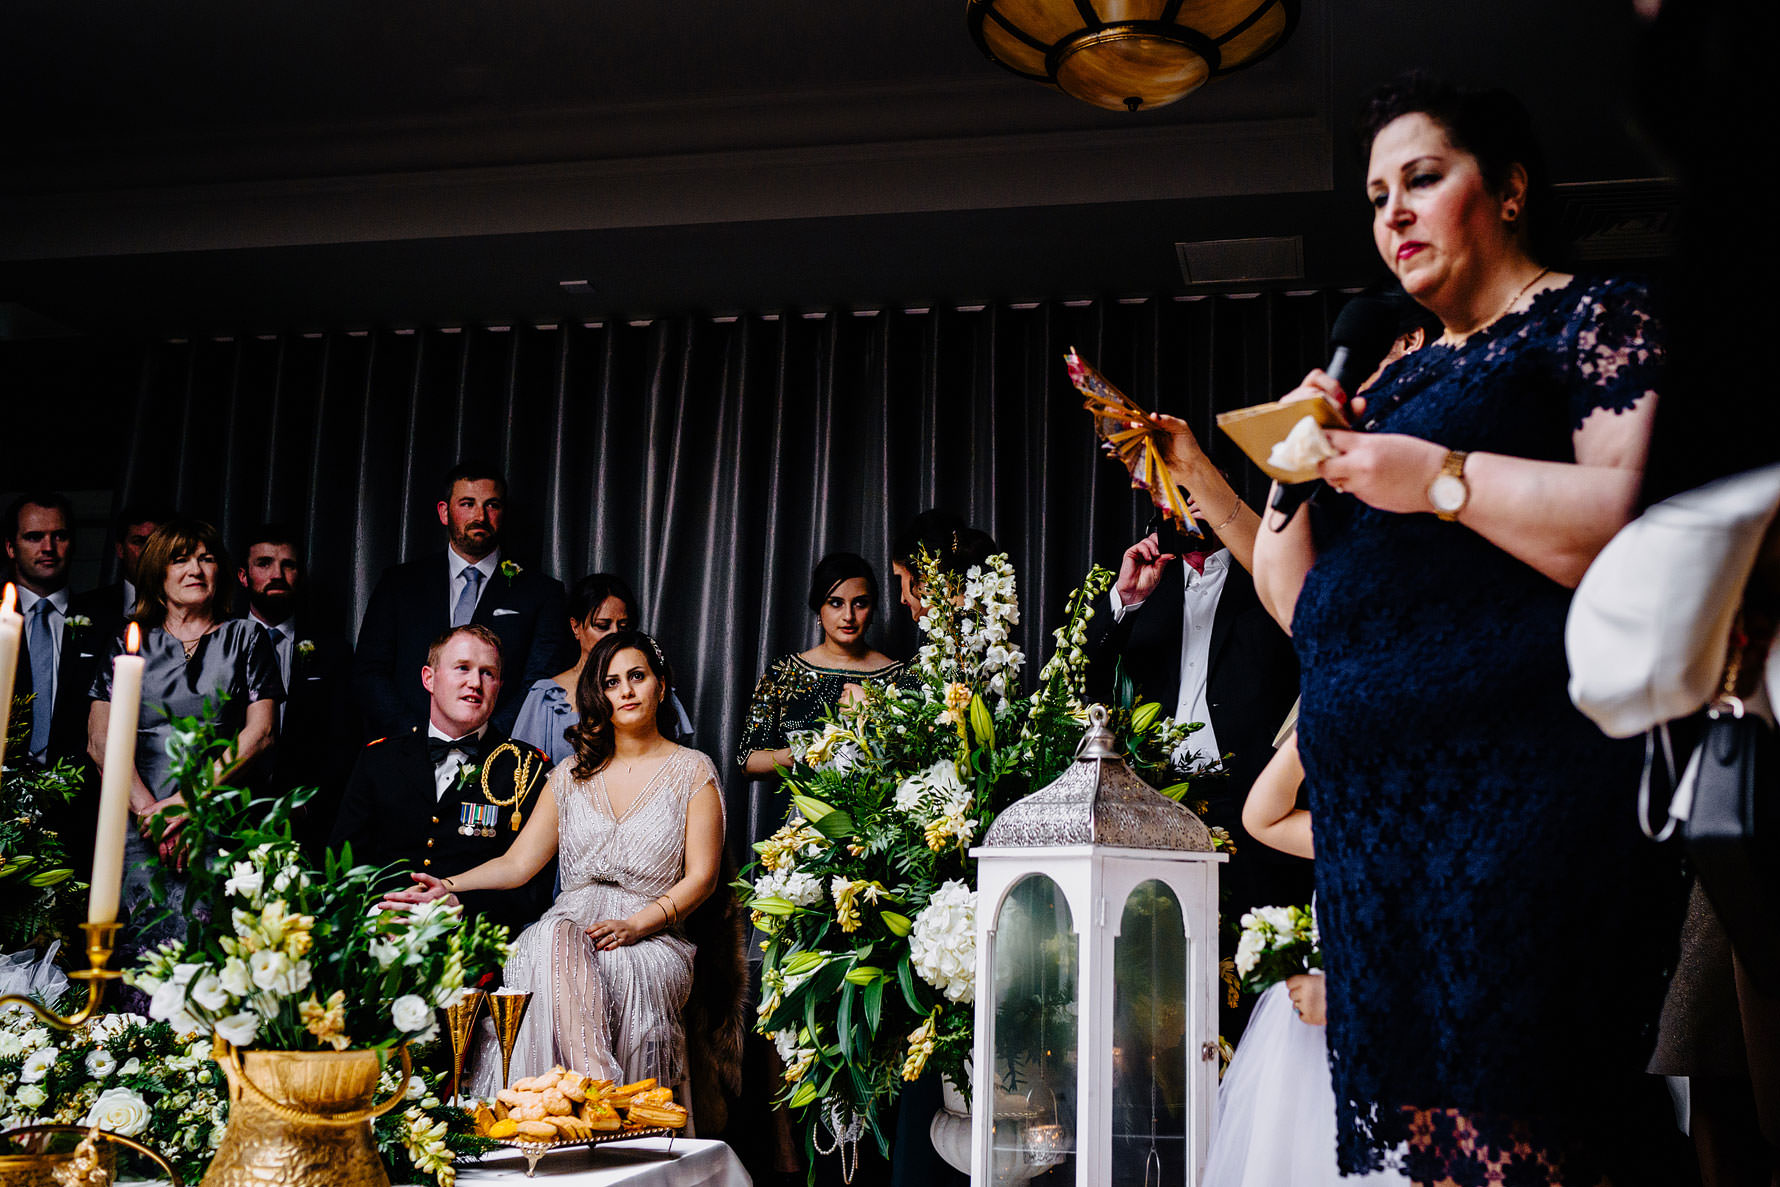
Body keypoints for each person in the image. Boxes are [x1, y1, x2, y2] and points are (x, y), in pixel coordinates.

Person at [1244, 74, 1686, 1183]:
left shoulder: (1592, 316)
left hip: (1522, 789)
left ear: (1509, 189)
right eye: (1376, 193)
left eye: (1422, 179)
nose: (1391, 212)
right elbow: (1293, 592)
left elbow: (1622, 527)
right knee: (1432, 1144)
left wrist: (1437, 478)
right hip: (1382, 827)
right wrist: (1303, 454)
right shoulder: (1393, 373)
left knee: (1540, 1124)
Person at [386, 630, 723, 1102]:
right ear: (597, 695)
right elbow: (517, 863)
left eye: (637, 677)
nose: (625, 691)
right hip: (571, 926)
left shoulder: (693, 770)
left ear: (660, 687)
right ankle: (601, 1090)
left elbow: (703, 877)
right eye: (610, 682)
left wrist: (635, 924)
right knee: (546, 937)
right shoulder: (570, 775)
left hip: (651, 933)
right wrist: (447, 884)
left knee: (603, 960)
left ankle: (592, 1098)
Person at [1203, 732, 1407, 1187]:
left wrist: (1349, 995)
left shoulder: (1430, 838)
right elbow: (1262, 817)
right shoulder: (1358, 830)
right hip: (1311, 1056)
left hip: (1391, 1048)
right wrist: (1320, 704)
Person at [87, 519, 282, 956]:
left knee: (215, 958)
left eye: (207, 558)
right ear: (158, 571)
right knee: (136, 956)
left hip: (219, 820)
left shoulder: (246, 637)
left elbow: (262, 732)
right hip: (137, 825)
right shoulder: (127, 641)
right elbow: (100, 744)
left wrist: (188, 801)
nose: (196, 568)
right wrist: (150, 815)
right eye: (181, 559)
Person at [332, 624, 554, 937]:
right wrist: (375, 916)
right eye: (462, 668)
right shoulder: (379, 760)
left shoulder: (524, 768)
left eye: (488, 673)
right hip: (377, 942)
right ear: (429, 678)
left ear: (499, 686)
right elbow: (343, 867)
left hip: (473, 951)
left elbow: (534, 890)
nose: (475, 683)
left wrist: (460, 908)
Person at [354, 461, 572, 739]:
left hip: (497, 754)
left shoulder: (541, 592)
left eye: (491, 505)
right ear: (444, 512)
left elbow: (539, 683)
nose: (480, 515)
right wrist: (413, 731)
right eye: (467, 503)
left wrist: (487, 737)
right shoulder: (399, 584)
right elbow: (370, 672)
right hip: (404, 749)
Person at [736, 552, 906, 855]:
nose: (849, 616)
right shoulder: (784, 673)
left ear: (874, 608)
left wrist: (876, 715)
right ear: (819, 607)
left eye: (860, 603)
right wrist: (804, 754)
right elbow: (747, 759)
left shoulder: (897, 677)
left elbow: (911, 760)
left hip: (875, 838)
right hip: (797, 838)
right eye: (836, 602)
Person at [4, 491, 106, 877]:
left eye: (59, 536)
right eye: (33, 537)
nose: (48, 547)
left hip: (83, 811)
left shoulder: (104, 623)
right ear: (11, 547)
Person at [236, 524, 354, 854]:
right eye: (264, 563)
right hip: (227, 815)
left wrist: (309, 805)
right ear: (243, 576)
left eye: (288, 565)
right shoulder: (219, 644)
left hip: (305, 823)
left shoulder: (334, 653)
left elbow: (344, 741)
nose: (277, 574)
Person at [511, 573, 695, 764]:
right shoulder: (547, 697)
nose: (614, 635)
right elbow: (523, 772)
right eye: (602, 626)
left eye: (623, 627)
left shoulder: (650, 689)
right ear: (575, 627)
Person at [71, 500, 171, 653]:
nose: (148, 552)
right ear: (120, 549)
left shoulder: (184, 607)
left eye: (156, 543)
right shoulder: (84, 608)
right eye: (139, 542)